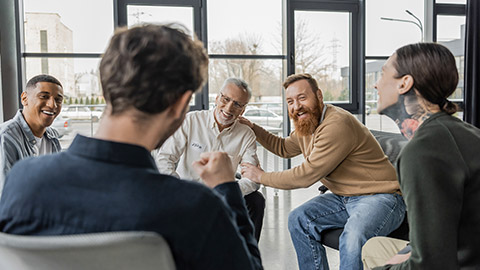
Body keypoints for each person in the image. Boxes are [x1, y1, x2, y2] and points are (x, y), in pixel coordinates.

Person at [0, 24, 262, 270]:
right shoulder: (194, 208)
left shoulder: (23, 181)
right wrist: (227, 187)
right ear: (180, 104)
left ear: (106, 87)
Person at [240, 73, 405, 270]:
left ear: (319, 95)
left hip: (381, 197)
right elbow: (284, 148)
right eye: (290, 101)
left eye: (302, 98)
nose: (296, 106)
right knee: (298, 219)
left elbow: (305, 176)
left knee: (353, 236)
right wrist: (253, 128)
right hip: (344, 197)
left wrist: (261, 177)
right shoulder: (307, 124)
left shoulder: (336, 124)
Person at [361, 43, 480, 269]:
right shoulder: (467, 133)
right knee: (374, 246)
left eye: (384, 74)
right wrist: (411, 249)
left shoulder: (423, 151)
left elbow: (431, 263)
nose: (376, 84)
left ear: (405, 83)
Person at [155, 77, 265, 241]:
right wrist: (180, 189)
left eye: (237, 104)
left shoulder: (246, 134)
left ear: (243, 109)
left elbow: (253, 179)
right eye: (226, 99)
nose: (229, 108)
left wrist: (226, 192)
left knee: (256, 201)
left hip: (223, 195)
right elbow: (164, 159)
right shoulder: (191, 120)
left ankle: (246, 257)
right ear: (217, 98)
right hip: (187, 191)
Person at [0, 74, 63, 198]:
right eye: (44, 97)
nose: (52, 105)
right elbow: (5, 196)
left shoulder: (52, 138)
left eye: (58, 99)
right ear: (24, 98)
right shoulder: (6, 137)